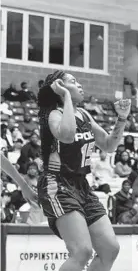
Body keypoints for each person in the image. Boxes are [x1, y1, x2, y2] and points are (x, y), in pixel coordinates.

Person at [36, 70, 131, 271]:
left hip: (81, 185)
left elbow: (108, 145)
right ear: (60, 87)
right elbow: (68, 136)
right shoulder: (54, 114)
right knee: (81, 251)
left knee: (109, 249)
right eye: (73, 81)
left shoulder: (84, 114)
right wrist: (67, 96)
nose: (79, 85)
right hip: (58, 184)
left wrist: (121, 119)